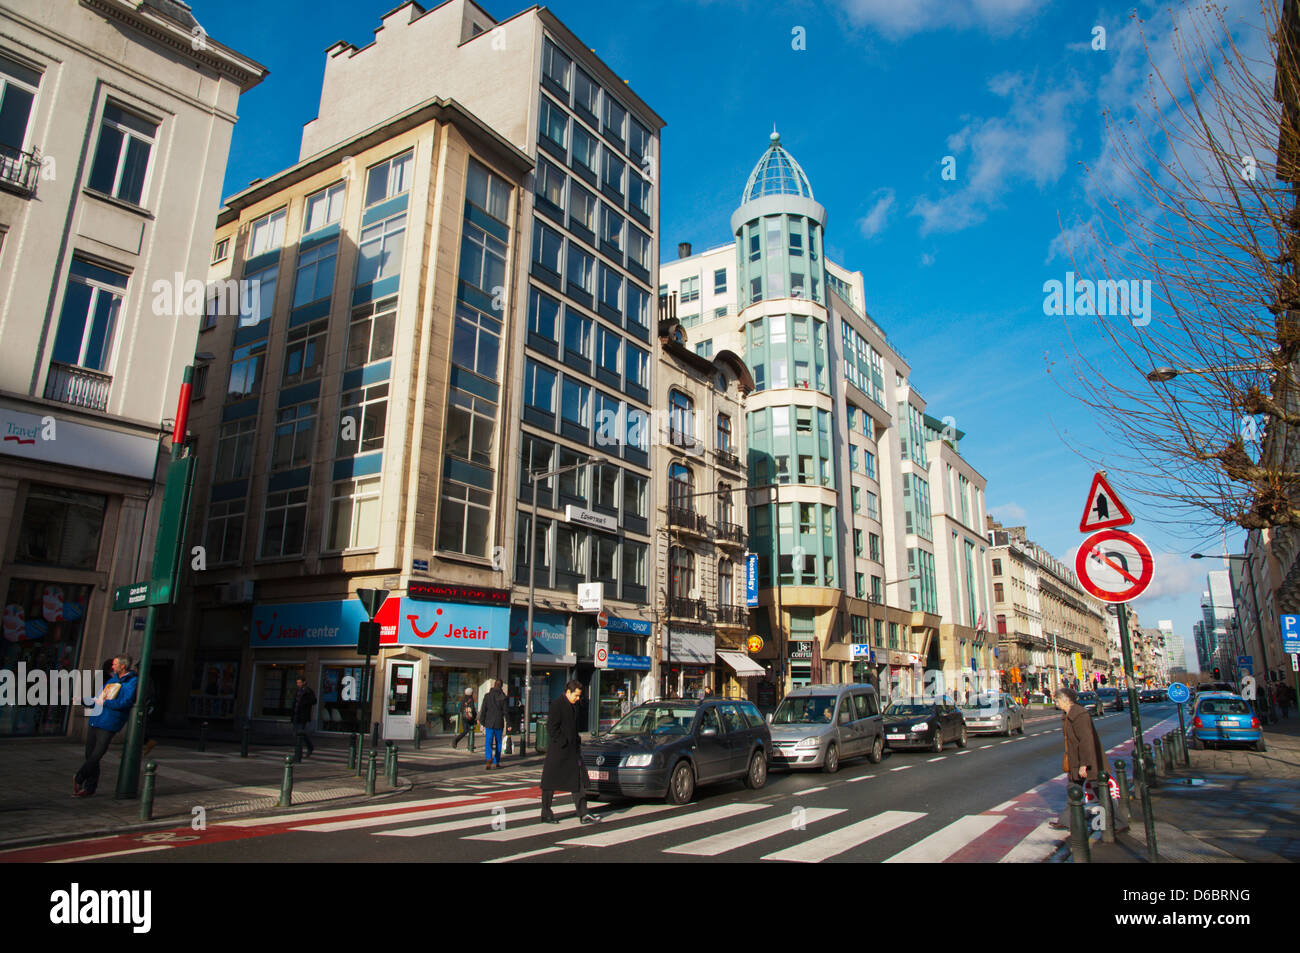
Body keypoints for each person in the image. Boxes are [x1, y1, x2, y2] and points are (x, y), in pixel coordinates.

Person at [1051, 685, 1124, 831]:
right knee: (1073, 788)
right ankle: (1067, 820)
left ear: (1065, 700)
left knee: (1100, 791)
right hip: (1075, 759)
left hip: (1088, 760)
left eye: (1057, 700)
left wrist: (1085, 764)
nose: (1056, 703)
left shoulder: (1079, 714)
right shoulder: (1068, 714)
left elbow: (1086, 740)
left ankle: (1119, 823)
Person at [74, 656, 138, 797]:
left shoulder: (131, 682)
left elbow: (125, 703)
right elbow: (99, 698)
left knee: (97, 753)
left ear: (123, 666)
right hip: (96, 719)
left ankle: (79, 777)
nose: (112, 667)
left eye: (115, 664)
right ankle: (89, 788)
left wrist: (106, 703)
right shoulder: (112, 680)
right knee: (90, 755)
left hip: (110, 722)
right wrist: (83, 700)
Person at [540, 680, 598, 825]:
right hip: (558, 751)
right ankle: (546, 813)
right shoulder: (557, 705)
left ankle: (583, 813)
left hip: (572, 751)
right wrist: (564, 741)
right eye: (576, 696)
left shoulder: (574, 706)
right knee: (550, 784)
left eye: (579, 696)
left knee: (577, 781)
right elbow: (552, 727)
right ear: (568, 692)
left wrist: (576, 740)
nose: (578, 699)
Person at [479, 679, 507, 770]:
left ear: (494, 685)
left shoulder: (487, 696)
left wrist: (482, 721)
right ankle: (496, 761)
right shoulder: (503, 697)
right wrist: (509, 723)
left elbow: (483, 709)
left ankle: (488, 758)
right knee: (499, 742)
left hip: (489, 722)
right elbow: (506, 711)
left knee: (488, 741)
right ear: (501, 686)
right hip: (499, 722)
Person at [291, 675, 316, 759]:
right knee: (296, 733)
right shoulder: (297, 691)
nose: (298, 684)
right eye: (297, 683)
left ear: (304, 682)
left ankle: (298, 753)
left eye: (299, 682)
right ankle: (308, 747)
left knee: (300, 733)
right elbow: (295, 702)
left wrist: (305, 703)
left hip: (303, 715)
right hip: (296, 714)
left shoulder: (308, 691)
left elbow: (314, 701)